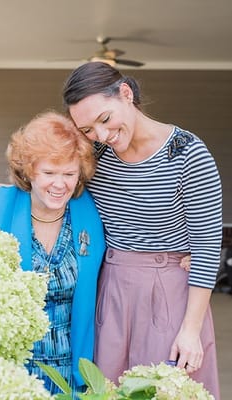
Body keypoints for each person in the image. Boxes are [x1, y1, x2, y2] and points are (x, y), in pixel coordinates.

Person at [62, 61, 222, 399]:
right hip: (113, 289)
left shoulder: (189, 153)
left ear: (126, 94)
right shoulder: (95, 154)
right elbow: (50, 175)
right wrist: (2, 192)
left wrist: (190, 331)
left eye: (104, 119)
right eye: (87, 129)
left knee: (163, 388)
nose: (101, 136)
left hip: (171, 290)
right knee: (107, 389)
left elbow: (207, 247)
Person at [0, 110, 106, 394]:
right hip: (9, 367)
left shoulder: (90, 212)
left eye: (69, 174)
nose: (60, 185)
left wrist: (184, 252)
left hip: (70, 369)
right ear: (29, 170)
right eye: (49, 173)